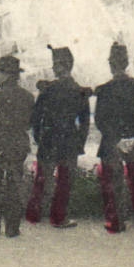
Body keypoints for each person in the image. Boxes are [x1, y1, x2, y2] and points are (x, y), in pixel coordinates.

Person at [26, 46, 89, 228]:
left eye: (56, 64)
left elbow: (36, 117)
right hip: (69, 139)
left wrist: (38, 136)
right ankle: (59, 217)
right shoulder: (79, 90)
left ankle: (33, 214)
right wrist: (80, 142)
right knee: (64, 181)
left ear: (65, 65)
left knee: (41, 178)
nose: (53, 68)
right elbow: (84, 121)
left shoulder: (48, 89)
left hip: (48, 138)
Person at [94, 42, 134, 234]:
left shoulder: (104, 90)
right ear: (127, 63)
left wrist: (117, 139)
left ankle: (115, 222)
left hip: (112, 141)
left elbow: (100, 120)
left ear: (110, 64)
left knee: (112, 185)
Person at [0, 53, 35, 238]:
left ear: (7, 75)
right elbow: (30, 123)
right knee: (15, 183)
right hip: (18, 143)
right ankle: (12, 227)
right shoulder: (27, 97)